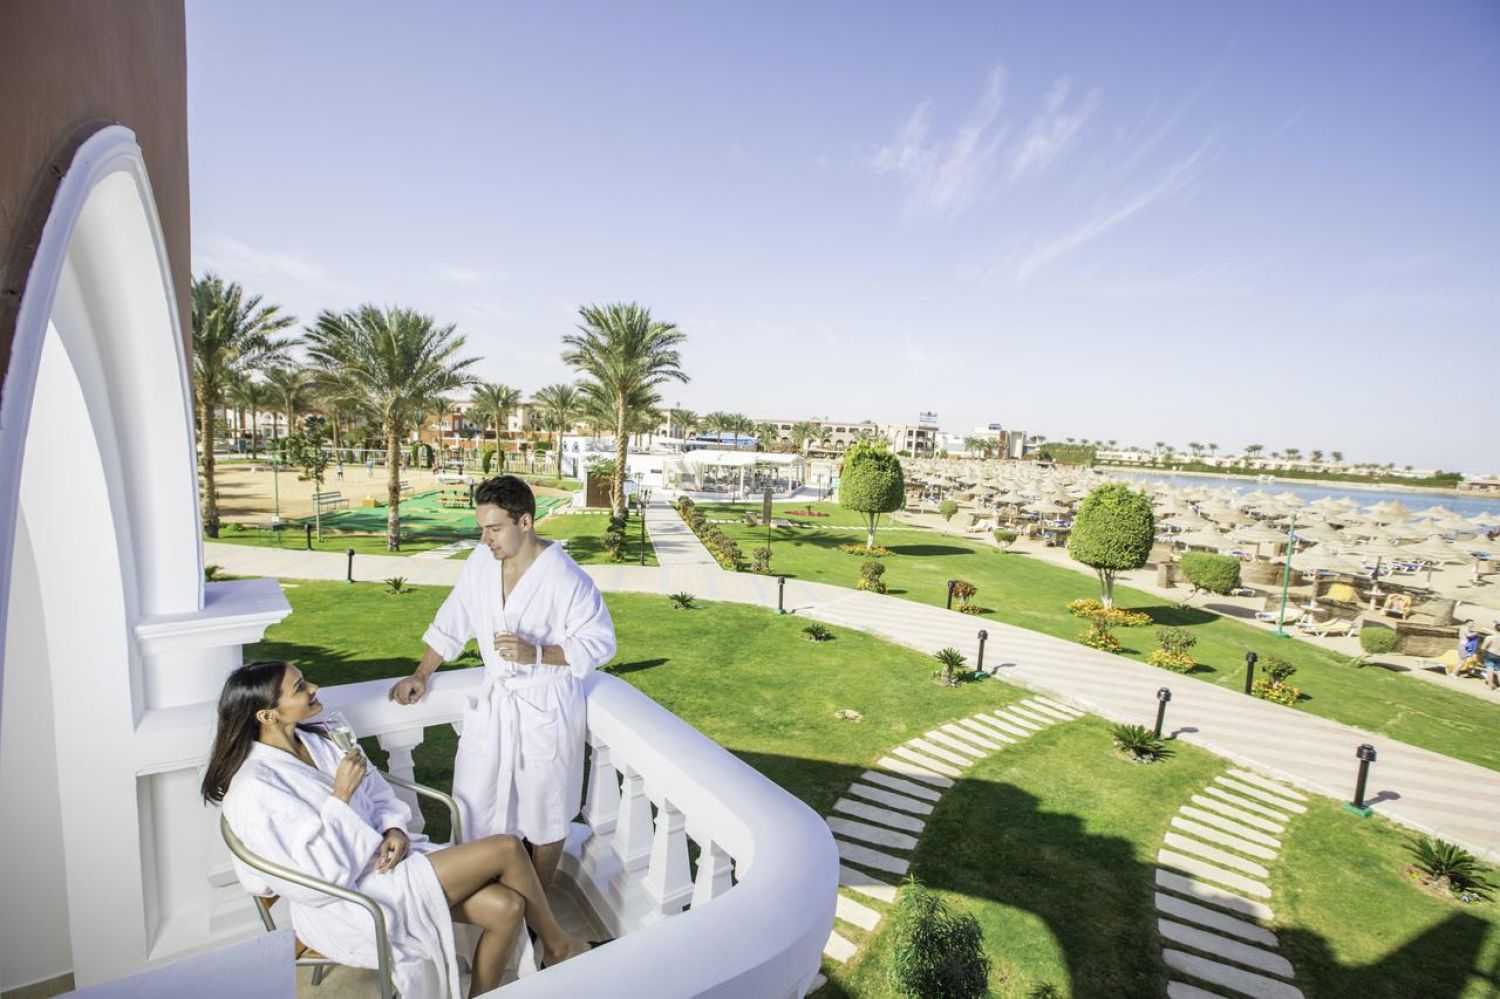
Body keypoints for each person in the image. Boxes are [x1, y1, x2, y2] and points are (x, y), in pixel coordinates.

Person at [205, 661, 595, 999]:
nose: (313, 688)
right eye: (300, 687)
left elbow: (376, 790)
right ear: (267, 716)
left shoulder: (321, 737)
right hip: (353, 894)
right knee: (508, 847)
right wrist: (340, 798)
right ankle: (560, 947)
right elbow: (315, 876)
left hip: (388, 859)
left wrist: (394, 828)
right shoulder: (256, 788)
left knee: (507, 907)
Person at [389, 475, 616, 886]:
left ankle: (536, 905)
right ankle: (480, 897)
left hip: (545, 708)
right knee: (473, 803)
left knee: (545, 815)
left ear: (525, 522)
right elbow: (453, 618)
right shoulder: (481, 563)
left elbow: (600, 644)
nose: (485, 539)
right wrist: (421, 674)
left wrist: (537, 654)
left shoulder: (568, 580)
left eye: (494, 529)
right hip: (496, 707)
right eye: (482, 528)